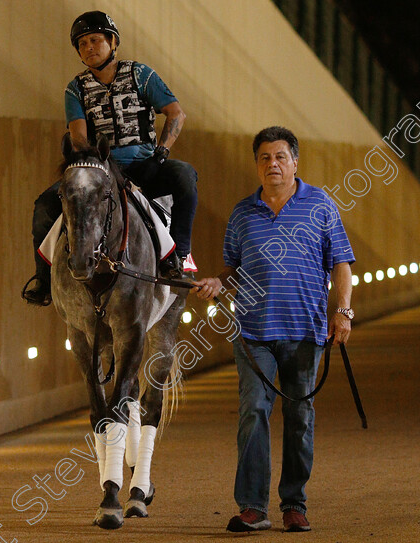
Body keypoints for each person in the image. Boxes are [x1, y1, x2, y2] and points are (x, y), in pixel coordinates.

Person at [192, 126, 355, 533]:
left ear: (295, 163)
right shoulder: (242, 213)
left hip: (306, 331)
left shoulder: (321, 205)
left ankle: (294, 504)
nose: (273, 164)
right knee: (253, 412)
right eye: (264, 158)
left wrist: (344, 313)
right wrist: (216, 282)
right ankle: (252, 507)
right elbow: (232, 270)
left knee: (300, 416)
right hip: (253, 333)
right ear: (257, 165)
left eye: (280, 157)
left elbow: (341, 264)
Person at [23, 10, 198, 306]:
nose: (88, 47)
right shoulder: (75, 89)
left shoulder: (141, 75)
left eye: (94, 40)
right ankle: (44, 278)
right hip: (101, 168)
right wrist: (89, 164)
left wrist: (162, 153)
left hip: (145, 165)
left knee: (185, 176)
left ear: (112, 41)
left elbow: (175, 113)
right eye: (82, 44)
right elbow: (78, 136)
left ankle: (178, 256)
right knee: (44, 205)